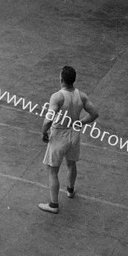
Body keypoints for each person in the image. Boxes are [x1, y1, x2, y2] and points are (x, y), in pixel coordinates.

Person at [39, 66, 99, 214]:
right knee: (71, 164)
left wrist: (43, 131)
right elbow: (94, 113)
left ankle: (53, 204)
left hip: (60, 134)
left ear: (61, 79)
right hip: (74, 133)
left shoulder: (57, 97)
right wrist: (81, 122)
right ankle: (70, 190)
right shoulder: (81, 95)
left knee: (53, 170)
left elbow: (48, 119)